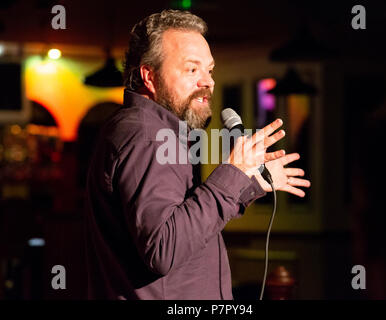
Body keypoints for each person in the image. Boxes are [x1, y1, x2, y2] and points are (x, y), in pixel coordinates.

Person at [84, 9, 310, 300]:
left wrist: (247, 183)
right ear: (149, 76)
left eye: (210, 70)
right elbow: (163, 249)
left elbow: (185, 225)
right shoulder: (146, 135)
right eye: (192, 69)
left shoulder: (149, 130)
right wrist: (232, 172)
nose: (208, 81)